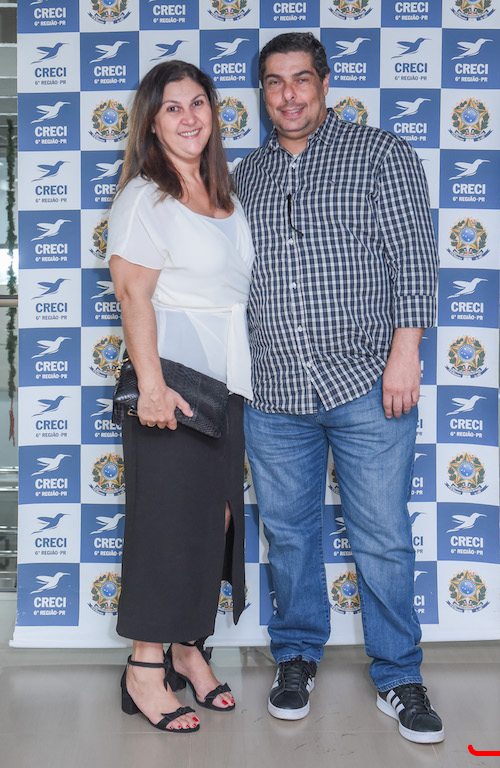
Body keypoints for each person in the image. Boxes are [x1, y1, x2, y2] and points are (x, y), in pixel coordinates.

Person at [233, 33, 444, 744]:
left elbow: (413, 256)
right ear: (262, 92)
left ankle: (400, 675)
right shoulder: (244, 177)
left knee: (381, 537)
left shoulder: (380, 154)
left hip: (366, 383)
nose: (288, 94)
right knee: (289, 535)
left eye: (301, 79)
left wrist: (405, 352)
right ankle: (295, 656)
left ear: (324, 83)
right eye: (274, 82)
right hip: (273, 389)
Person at [106, 60, 254, 733]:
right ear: (151, 121)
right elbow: (132, 293)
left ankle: (189, 647)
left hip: (226, 384)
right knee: (166, 525)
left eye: (199, 103)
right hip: (173, 384)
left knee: (213, 520)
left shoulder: (223, 195)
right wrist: (153, 387)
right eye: (173, 107)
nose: (190, 116)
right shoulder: (147, 196)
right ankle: (144, 667)